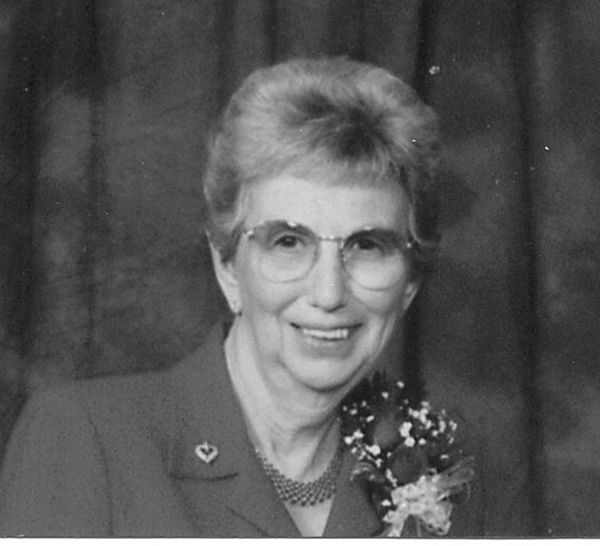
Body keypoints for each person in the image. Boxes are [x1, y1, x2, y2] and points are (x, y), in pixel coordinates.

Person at [0, 57, 440, 537]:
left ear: (409, 284)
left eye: (367, 245)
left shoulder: (432, 478)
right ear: (227, 265)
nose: (329, 293)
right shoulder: (85, 439)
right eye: (288, 242)